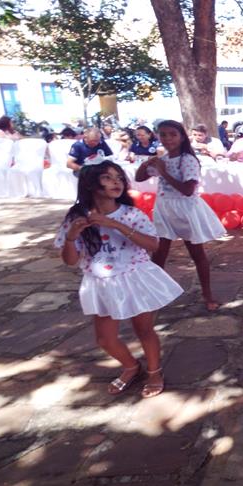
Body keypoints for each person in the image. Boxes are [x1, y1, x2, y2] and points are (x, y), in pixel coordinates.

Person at [55, 159, 183, 398]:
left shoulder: (131, 214)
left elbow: (153, 244)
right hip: (102, 280)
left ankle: (154, 371)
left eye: (119, 178)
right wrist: (72, 237)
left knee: (144, 329)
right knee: (105, 338)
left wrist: (115, 225)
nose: (116, 182)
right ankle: (131, 366)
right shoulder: (76, 217)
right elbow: (70, 260)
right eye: (108, 177)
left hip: (135, 276)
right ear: (91, 184)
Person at [135, 120, 226, 310]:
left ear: (182, 137)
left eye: (172, 134)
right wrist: (148, 164)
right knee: (159, 253)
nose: (167, 138)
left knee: (197, 253)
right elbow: (139, 177)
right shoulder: (164, 159)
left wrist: (163, 172)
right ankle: (154, 293)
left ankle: (207, 295)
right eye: (163, 134)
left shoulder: (188, 160)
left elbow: (187, 190)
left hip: (185, 209)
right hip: (164, 208)